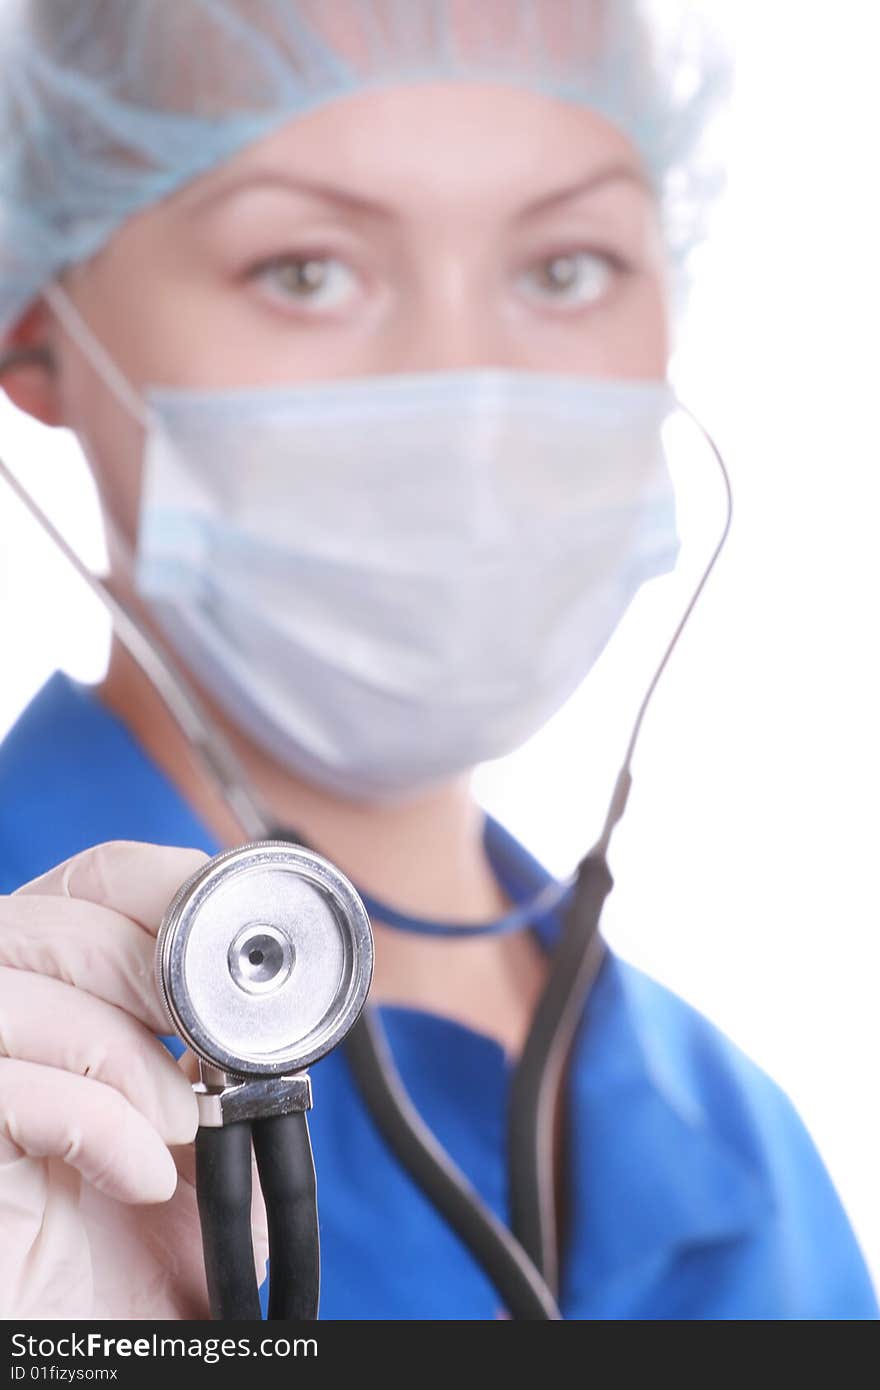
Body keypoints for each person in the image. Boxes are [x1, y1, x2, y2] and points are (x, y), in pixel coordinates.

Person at [0, 0, 875, 1321]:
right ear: (32, 327)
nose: (469, 398)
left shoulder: (747, 1148)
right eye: (306, 269)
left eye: (566, 267)